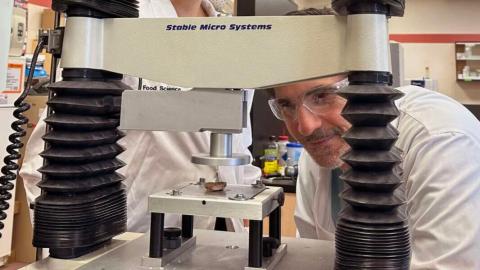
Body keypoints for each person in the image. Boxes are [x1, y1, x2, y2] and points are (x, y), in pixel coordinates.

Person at [20, 0, 261, 233]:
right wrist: (68, 234)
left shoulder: (234, 36)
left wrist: (248, 196)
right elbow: (51, 154)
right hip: (138, 230)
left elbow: (240, 140)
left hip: (223, 226)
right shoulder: (117, 21)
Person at [267, 9, 480, 269]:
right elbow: (316, 257)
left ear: (365, 81)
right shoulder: (323, 154)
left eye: (322, 96)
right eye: (286, 105)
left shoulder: (441, 139)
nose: (305, 126)